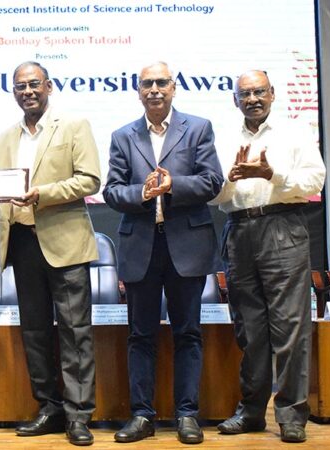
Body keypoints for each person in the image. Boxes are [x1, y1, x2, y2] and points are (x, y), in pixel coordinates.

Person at [0, 61, 101, 446]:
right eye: (20, 87)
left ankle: (78, 415)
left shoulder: (74, 126)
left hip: (66, 243)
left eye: (34, 85)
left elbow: (90, 179)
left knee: (75, 332)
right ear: (13, 92)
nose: (27, 92)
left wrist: (42, 193)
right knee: (35, 331)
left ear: (49, 86)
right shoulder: (5, 137)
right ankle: (49, 407)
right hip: (22, 242)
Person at [103, 61, 223, 445]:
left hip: (187, 245)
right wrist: (141, 193)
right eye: (147, 84)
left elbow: (212, 181)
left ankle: (187, 415)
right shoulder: (123, 136)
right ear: (138, 91)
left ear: (173, 87)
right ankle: (142, 416)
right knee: (140, 335)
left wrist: (172, 186)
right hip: (141, 246)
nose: (154, 89)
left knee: (188, 333)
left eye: (161, 83)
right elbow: (111, 191)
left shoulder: (198, 128)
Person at [212, 70, 325, 443]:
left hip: (283, 226)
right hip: (239, 230)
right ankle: (251, 412)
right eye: (245, 94)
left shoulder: (295, 132)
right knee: (249, 329)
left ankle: (291, 415)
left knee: (290, 326)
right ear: (235, 100)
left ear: (272, 94)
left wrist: (271, 174)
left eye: (259, 91)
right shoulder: (224, 137)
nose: (253, 99)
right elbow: (214, 196)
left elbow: (315, 181)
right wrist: (229, 178)